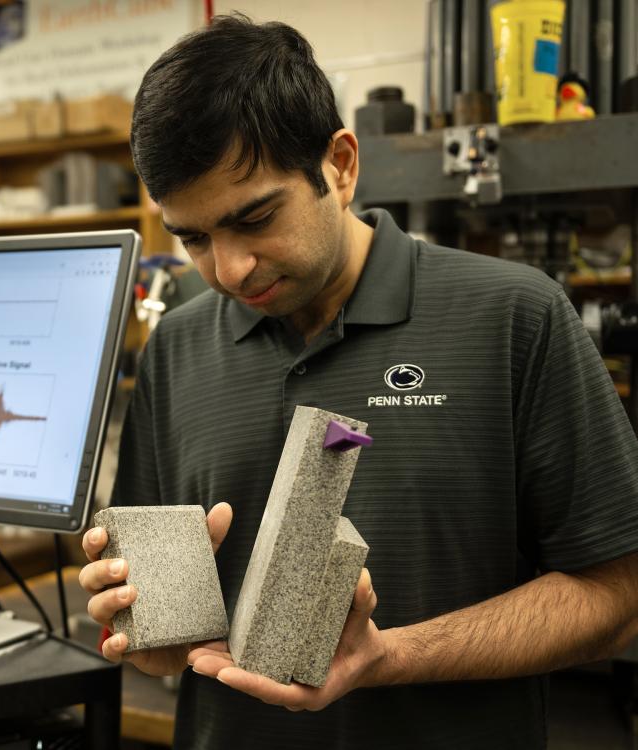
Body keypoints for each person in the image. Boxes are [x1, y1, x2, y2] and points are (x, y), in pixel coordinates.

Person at [78, 13, 638, 750]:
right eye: (194, 237)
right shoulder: (178, 344)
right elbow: (161, 641)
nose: (230, 269)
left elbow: (617, 596)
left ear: (340, 165)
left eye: (255, 217)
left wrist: (389, 658)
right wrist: (146, 628)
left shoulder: (513, 317)